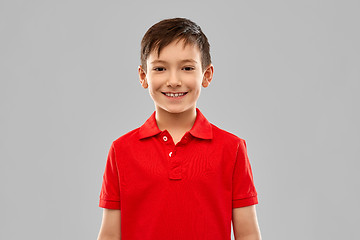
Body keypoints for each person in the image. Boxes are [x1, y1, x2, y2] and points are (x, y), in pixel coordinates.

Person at [97, 17, 261, 240]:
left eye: (187, 68)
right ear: (143, 76)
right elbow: (109, 235)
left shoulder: (232, 149)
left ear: (207, 74)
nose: (173, 80)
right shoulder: (121, 150)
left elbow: (248, 235)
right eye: (160, 68)